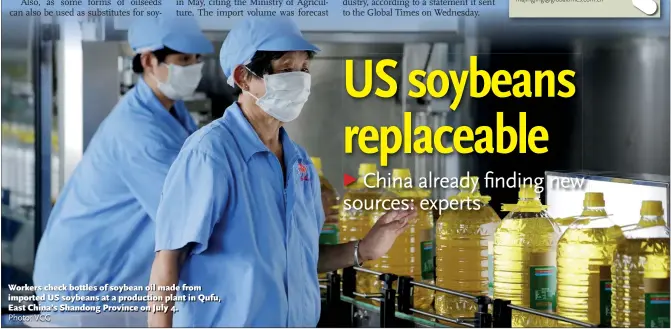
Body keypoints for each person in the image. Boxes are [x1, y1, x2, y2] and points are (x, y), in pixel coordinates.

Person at [148, 17, 416, 327]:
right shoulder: (210, 153)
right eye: (287, 69)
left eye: (304, 69)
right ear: (244, 78)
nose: (300, 79)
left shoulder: (299, 162)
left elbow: (299, 260)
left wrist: (365, 248)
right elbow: (167, 262)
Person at [33, 16, 213, 308]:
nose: (193, 66)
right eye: (182, 59)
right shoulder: (138, 131)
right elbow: (189, 216)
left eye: (196, 58)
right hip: (84, 283)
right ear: (148, 61)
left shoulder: (172, 111)